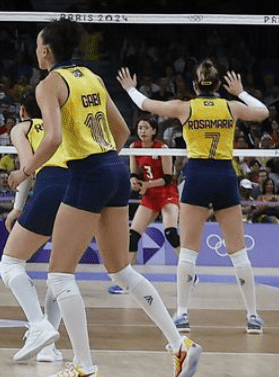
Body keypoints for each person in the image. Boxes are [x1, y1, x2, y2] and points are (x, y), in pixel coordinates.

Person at [15, 20, 199, 377]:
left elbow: (51, 139)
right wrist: (103, 161)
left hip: (89, 173)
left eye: (38, 45)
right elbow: (123, 130)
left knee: (60, 277)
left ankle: (84, 364)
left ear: (46, 51)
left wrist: (24, 172)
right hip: (114, 167)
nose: (37, 50)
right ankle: (179, 344)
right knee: (121, 270)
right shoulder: (92, 77)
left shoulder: (49, 84)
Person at [118, 61, 269, 335]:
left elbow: (147, 103)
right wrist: (241, 91)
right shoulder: (231, 107)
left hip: (198, 175)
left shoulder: (184, 107)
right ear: (219, 86)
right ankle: (253, 316)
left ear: (195, 85)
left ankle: (182, 314)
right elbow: (264, 112)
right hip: (224, 175)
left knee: (188, 251)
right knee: (238, 252)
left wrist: (130, 88)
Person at [0, 92, 66, 364]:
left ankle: (39, 325)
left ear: (23, 110)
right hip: (81, 192)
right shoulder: (62, 124)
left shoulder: (22, 127)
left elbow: (27, 167)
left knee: (9, 263)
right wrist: (18, 206)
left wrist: (16, 207)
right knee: (61, 273)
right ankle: (49, 349)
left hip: (51, 188)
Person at [108, 115, 181, 294]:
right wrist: (134, 181)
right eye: (140, 128)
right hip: (149, 196)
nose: (142, 131)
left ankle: (189, 272)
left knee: (170, 233)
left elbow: (167, 178)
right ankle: (127, 282)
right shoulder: (134, 147)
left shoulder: (162, 147)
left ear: (154, 130)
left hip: (167, 194)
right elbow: (134, 173)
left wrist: (147, 184)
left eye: (146, 128)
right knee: (132, 236)